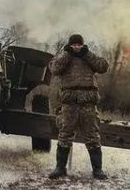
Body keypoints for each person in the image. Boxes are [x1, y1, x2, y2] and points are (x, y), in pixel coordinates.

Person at [47, 34, 109, 180]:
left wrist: (86, 53)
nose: (76, 47)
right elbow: (54, 68)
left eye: (78, 45)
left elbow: (103, 66)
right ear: (70, 46)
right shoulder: (64, 58)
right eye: (73, 45)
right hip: (70, 104)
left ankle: (98, 170)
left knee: (93, 136)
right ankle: (60, 168)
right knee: (64, 135)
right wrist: (67, 54)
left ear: (82, 45)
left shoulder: (88, 57)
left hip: (88, 104)